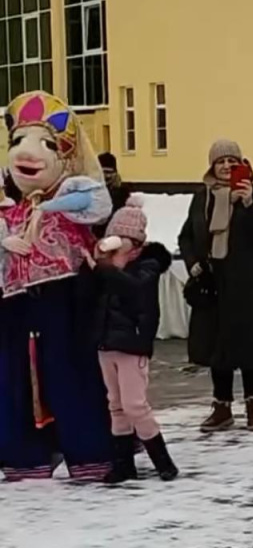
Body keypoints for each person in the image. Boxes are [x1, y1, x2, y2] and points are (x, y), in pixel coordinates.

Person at [0, 91, 114, 482]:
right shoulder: (7, 209)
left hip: (64, 298)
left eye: (46, 145)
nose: (25, 155)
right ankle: (25, 456)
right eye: (17, 143)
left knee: (70, 373)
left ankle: (89, 453)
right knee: (14, 380)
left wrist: (47, 207)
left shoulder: (69, 198)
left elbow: (98, 203)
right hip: (13, 303)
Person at [178, 140, 253, 433]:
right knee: (216, 345)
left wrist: (247, 205)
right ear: (212, 166)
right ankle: (222, 406)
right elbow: (186, 236)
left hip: (248, 284)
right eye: (221, 161)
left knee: (250, 344)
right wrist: (193, 261)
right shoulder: (202, 197)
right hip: (214, 283)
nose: (226, 167)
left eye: (232, 162)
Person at [87, 195, 176, 483]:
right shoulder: (107, 267)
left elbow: (133, 290)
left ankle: (163, 462)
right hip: (106, 343)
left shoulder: (146, 266)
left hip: (132, 344)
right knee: (115, 404)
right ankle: (123, 464)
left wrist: (107, 268)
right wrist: (94, 267)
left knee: (135, 404)